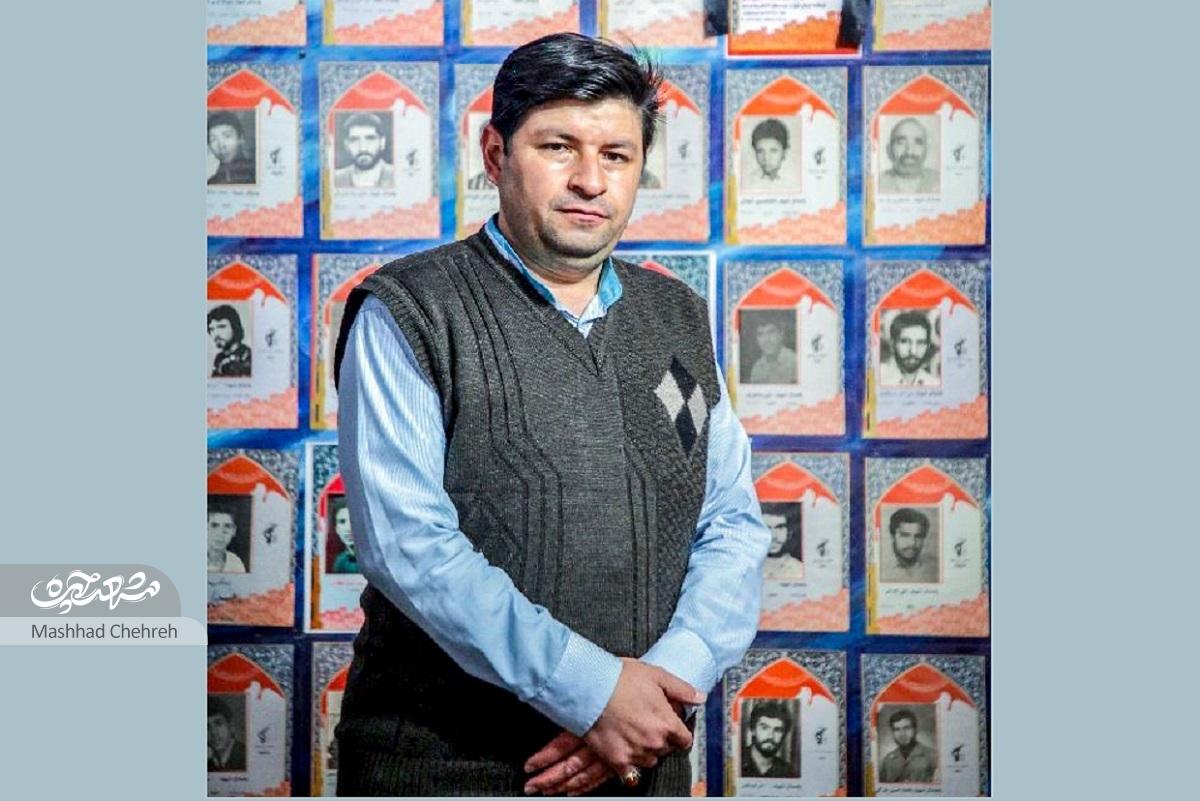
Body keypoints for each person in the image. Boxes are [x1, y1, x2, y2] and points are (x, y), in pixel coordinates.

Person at [331, 33, 771, 797]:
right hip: (440, 765)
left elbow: (730, 522)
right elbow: (410, 548)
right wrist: (595, 692)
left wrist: (660, 688)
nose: (590, 180)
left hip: (640, 760)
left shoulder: (676, 315)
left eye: (616, 155)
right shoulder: (412, 310)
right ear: (495, 153)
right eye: (558, 147)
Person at [878, 117, 939, 194]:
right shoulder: (877, 183)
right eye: (901, 142)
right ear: (889, 149)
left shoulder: (939, 180)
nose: (909, 151)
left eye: (918, 142)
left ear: (927, 150)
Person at [334, 113, 395, 189]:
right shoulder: (335, 179)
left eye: (370, 139)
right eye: (354, 140)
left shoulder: (398, 176)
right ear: (346, 145)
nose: (363, 148)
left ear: (382, 142)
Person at [879, 708, 937, 783]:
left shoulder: (932, 756)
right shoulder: (888, 760)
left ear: (915, 729)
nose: (902, 734)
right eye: (897, 729)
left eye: (906, 728)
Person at [740, 700, 795, 778]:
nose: (770, 736)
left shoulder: (789, 772)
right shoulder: (736, 762)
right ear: (753, 730)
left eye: (777, 730)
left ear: (784, 735)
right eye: (764, 728)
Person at [880, 311, 937, 386]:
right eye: (905, 341)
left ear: (928, 346)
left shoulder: (934, 383)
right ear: (892, 344)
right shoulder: (877, 377)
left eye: (920, 343)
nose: (913, 351)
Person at [883, 508, 938, 584]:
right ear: (892, 537)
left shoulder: (934, 569)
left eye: (918, 536)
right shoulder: (882, 570)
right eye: (905, 535)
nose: (912, 543)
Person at [207, 111, 255, 185]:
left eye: (227, 136)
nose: (221, 145)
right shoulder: (211, 182)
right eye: (213, 139)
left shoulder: (256, 173)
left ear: (241, 138)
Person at [760, 503, 803, 581]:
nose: (773, 536)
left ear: (789, 532)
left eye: (780, 527)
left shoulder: (800, 570)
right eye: (766, 528)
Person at [747, 318, 797, 384]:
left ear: (781, 334)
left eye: (771, 332)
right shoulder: (757, 369)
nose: (766, 340)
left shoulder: (794, 362)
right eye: (760, 334)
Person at [207, 305, 252, 378]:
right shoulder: (219, 357)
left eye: (221, 327)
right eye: (212, 329)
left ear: (235, 327)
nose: (215, 334)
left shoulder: (248, 356)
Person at [747, 118, 789, 188]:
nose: (766, 158)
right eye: (760, 151)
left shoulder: (790, 182)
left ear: (784, 153)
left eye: (773, 151)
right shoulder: (749, 182)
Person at [208, 696, 247, 772]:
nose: (213, 732)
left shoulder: (246, 756)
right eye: (207, 727)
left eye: (218, 723)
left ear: (231, 726)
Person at [207, 501, 246, 574]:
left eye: (227, 526)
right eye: (214, 525)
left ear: (233, 531)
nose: (220, 533)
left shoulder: (236, 563)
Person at [329, 501, 359, 574]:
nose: (349, 528)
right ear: (336, 529)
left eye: (354, 520)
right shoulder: (340, 561)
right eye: (342, 522)